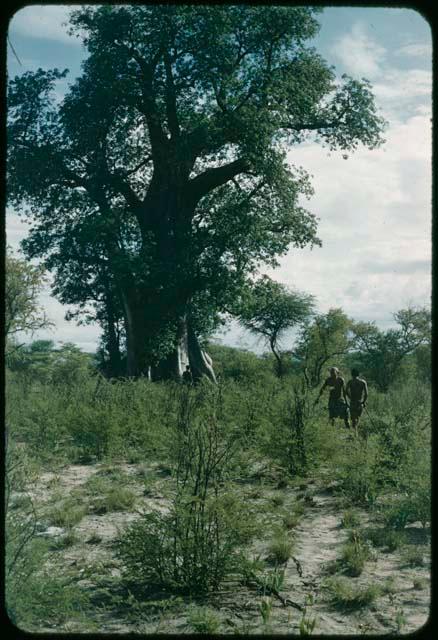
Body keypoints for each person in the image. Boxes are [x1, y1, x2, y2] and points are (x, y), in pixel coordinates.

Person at [346, 368, 368, 435]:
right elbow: (366, 394)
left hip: (352, 402)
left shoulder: (350, 382)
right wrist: (363, 402)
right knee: (357, 418)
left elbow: (346, 391)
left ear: (352, 374)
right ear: (358, 374)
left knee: (353, 418)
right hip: (359, 402)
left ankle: (354, 433)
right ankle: (355, 432)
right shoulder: (363, 382)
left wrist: (350, 397)